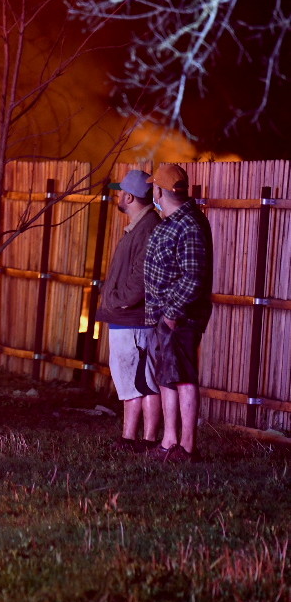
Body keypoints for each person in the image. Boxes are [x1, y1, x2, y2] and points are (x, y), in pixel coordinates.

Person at [143, 163, 214, 462]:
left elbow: (194, 276)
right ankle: (169, 441)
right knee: (167, 377)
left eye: (154, 189)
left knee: (183, 378)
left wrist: (171, 313)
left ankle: (187, 447)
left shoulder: (190, 225)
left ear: (160, 190)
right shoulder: (172, 222)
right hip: (165, 315)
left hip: (180, 317)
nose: (153, 194)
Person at [95, 169, 161, 450]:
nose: (118, 196)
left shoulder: (146, 230)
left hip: (133, 319)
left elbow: (140, 279)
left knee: (140, 380)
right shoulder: (142, 227)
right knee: (135, 380)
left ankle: (140, 439)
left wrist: (116, 301)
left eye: (121, 191)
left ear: (129, 196)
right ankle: (133, 438)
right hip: (131, 317)